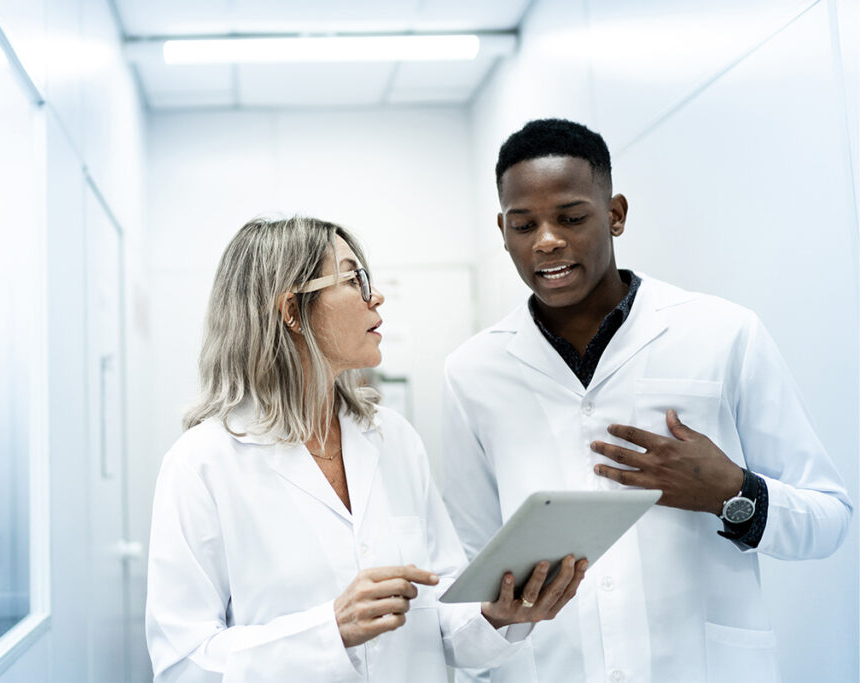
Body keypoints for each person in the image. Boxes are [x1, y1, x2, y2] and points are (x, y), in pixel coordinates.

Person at [441, 119, 852, 682]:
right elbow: (471, 567)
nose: (547, 240)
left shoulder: (724, 332)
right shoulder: (473, 371)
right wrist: (496, 618)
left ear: (615, 214)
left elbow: (829, 518)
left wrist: (733, 492)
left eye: (571, 217)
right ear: (503, 230)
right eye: (523, 224)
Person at [145, 216, 588, 683]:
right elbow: (183, 664)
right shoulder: (202, 464)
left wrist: (497, 614)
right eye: (353, 278)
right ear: (292, 311)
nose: (374, 296)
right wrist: (329, 630)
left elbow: (440, 614)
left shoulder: (392, 438)